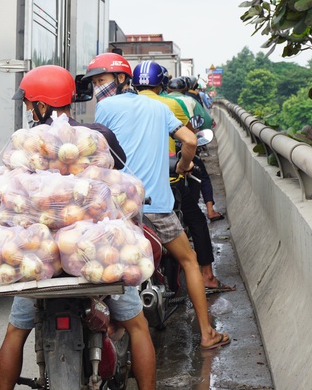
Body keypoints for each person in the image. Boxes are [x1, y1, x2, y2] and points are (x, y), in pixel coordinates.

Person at [0, 64, 156, 390]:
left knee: (15, 332)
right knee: (138, 327)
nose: (28, 110)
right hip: (97, 256)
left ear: (41, 105)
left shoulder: (27, 148)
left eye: (30, 103)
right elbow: (122, 182)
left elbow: (7, 199)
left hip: (39, 260)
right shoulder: (97, 138)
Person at [83, 53, 230, 351]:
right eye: (96, 82)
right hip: (157, 208)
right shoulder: (158, 108)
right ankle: (206, 333)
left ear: (123, 79)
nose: (99, 87)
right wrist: (184, 166)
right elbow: (190, 141)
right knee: (189, 260)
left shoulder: (105, 108)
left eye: (101, 80)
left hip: (118, 209)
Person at [141, 68, 234, 294]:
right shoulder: (172, 106)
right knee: (197, 222)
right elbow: (193, 136)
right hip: (167, 179)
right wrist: (184, 165)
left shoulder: (118, 107)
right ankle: (208, 276)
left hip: (132, 187)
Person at [170, 78, 225, 223]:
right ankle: (210, 210)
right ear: (185, 88)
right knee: (202, 175)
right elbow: (205, 120)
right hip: (182, 145)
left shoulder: (156, 102)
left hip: (163, 152)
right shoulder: (186, 100)